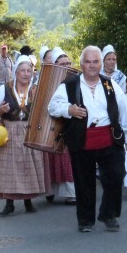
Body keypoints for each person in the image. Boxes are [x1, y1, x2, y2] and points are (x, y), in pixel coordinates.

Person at [48, 45, 127, 232]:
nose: (92, 66)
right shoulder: (70, 84)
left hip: (109, 138)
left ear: (100, 64)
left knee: (115, 177)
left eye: (95, 61)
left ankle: (109, 215)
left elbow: (124, 108)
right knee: (84, 181)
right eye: (88, 62)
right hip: (82, 139)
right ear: (81, 64)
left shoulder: (110, 84)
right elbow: (53, 106)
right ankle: (85, 220)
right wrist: (69, 109)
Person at [0, 56, 46, 215]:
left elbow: (42, 112)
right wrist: (1, 110)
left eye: (29, 70)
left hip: (28, 131)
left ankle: (28, 201)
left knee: (27, 165)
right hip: (9, 132)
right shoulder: (4, 89)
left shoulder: (35, 90)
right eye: (23, 71)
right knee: (9, 167)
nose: (26, 74)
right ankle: (9, 203)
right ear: (16, 72)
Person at [45, 46, 76, 204]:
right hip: (52, 124)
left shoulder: (76, 79)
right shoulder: (48, 81)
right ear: (56, 65)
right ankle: (49, 190)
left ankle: (70, 193)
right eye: (63, 64)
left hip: (71, 124)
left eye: (68, 63)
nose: (67, 66)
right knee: (51, 157)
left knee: (67, 159)